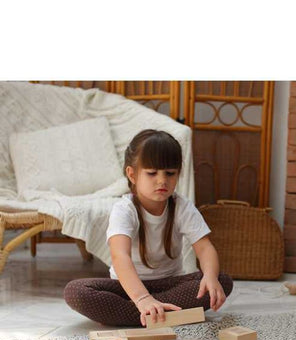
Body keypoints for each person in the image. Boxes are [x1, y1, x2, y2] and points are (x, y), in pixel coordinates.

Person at [64, 129, 233, 327]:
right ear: (132, 174)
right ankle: (154, 312)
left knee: (221, 280)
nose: (162, 180)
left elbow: (204, 247)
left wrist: (210, 277)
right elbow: (120, 256)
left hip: (169, 283)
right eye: (152, 173)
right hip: (127, 288)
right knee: (76, 291)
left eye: (170, 173)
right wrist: (142, 298)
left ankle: (145, 314)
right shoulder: (124, 209)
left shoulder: (182, 206)